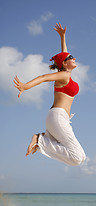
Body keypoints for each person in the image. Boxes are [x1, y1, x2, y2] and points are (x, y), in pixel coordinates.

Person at [14, 23, 86, 166]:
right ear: (65, 64)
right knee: (77, 158)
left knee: (81, 157)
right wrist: (25, 86)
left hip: (60, 118)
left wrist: (63, 37)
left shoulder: (66, 74)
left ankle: (42, 140)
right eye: (71, 57)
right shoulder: (63, 76)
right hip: (57, 117)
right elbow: (43, 77)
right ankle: (40, 140)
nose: (74, 58)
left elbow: (63, 55)